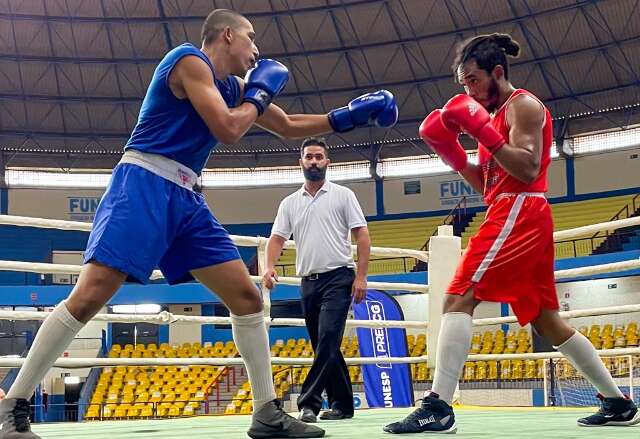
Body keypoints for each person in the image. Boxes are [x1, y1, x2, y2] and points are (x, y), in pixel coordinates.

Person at [0, 9, 398, 439]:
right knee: (90, 296)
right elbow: (229, 128)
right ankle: (13, 405)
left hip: (187, 196)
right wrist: (258, 96)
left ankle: (266, 413)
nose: (257, 50)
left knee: (247, 298)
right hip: (145, 183)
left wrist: (349, 116)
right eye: (251, 38)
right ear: (228, 35)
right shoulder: (188, 61)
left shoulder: (234, 88)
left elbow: (285, 125)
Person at [383, 33, 639, 434]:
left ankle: (438, 406)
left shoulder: (523, 105)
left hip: (520, 208)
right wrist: (450, 152)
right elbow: (488, 185)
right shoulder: (494, 117)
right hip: (511, 206)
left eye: (472, 80)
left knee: (458, 297)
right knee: (546, 321)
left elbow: (527, 169)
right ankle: (615, 401)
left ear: (496, 72)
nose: (468, 90)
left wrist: (482, 132)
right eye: (463, 84)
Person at [262, 137, 372, 423]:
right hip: (308, 282)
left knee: (326, 339)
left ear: (327, 162)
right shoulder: (289, 203)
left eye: (318, 156)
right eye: (308, 156)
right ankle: (343, 405)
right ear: (301, 162)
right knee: (325, 344)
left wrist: (361, 276)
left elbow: (362, 235)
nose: (313, 161)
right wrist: (269, 266)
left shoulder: (343, 195)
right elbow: (276, 239)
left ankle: (308, 402)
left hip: (339, 277)